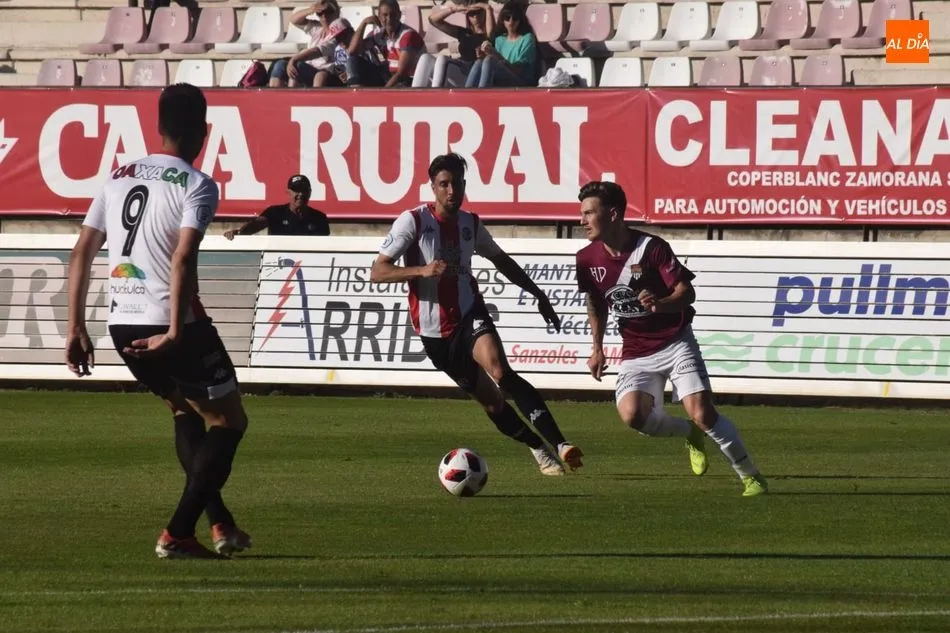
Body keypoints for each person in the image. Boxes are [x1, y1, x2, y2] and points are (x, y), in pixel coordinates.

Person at [65, 83, 253, 559]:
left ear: (158, 127)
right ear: (205, 132)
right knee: (229, 421)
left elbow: (82, 250)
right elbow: (183, 256)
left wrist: (75, 328)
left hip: (120, 323)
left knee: (184, 411)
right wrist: (173, 331)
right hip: (172, 324)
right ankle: (177, 533)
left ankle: (220, 524)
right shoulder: (197, 184)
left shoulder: (118, 177)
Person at [370, 153, 583, 476]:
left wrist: (538, 293)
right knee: (492, 403)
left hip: (470, 314)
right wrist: (422, 270)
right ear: (433, 187)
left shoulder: (471, 224)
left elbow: (502, 260)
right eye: (444, 184)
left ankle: (561, 443)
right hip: (435, 335)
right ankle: (537, 446)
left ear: (465, 185)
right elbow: (378, 271)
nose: (451, 191)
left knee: (500, 370)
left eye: (457, 183)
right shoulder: (412, 222)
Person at [574, 181, 768, 497]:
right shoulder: (586, 259)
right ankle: (688, 433)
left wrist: (661, 303)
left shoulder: (651, 248)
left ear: (612, 214)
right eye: (581, 213)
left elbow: (687, 293)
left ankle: (751, 477)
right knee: (633, 416)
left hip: (676, 341)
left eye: (588, 213)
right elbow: (595, 301)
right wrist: (596, 347)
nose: (581, 220)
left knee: (703, 413)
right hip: (636, 350)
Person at [268, 0, 353, 88]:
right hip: (310, 68)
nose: (324, 16)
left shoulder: (340, 30)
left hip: (328, 71)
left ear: (337, 12)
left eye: (328, 12)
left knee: (297, 67)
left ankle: (293, 98)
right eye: (320, 13)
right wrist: (310, 10)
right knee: (280, 65)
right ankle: (273, 98)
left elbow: (318, 50)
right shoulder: (317, 28)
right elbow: (293, 20)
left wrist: (294, 59)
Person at [346, 0, 423, 87]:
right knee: (353, 61)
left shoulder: (408, 35)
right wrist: (363, 23)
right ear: (379, 16)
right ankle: (356, 93)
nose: (389, 19)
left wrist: (383, 92)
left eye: (393, 14)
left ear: (399, 15)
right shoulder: (378, 33)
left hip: (408, 80)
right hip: (388, 76)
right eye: (385, 15)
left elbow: (401, 73)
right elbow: (352, 51)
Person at [224, 175, 330, 239]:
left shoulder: (319, 218)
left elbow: (326, 247)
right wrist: (239, 232)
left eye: (304, 190)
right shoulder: (275, 213)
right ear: (288, 192)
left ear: (310, 193)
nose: (301, 194)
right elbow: (257, 224)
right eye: (296, 190)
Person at [465, 1, 539, 88]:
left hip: (522, 81)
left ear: (520, 20)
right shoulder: (500, 40)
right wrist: (484, 55)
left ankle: (481, 95)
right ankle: (466, 96)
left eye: (515, 18)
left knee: (489, 61)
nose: (511, 21)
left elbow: (518, 70)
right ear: (503, 20)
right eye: (507, 18)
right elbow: (498, 64)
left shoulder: (527, 39)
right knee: (479, 62)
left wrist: (495, 55)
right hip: (505, 78)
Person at [423, 2, 493, 87]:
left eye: (479, 13)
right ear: (467, 16)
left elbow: (491, 32)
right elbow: (433, 20)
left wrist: (487, 7)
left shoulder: (489, 35)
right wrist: (454, 9)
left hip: (471, 72)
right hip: (459, 68)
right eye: (472, 14)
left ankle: (437, 93)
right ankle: (415, 94)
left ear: (484, 13)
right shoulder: (464, 32)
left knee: (443, 59)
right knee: (425, 58)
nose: (475, 17)